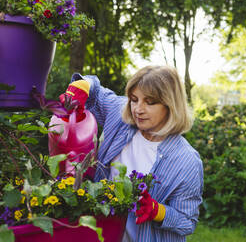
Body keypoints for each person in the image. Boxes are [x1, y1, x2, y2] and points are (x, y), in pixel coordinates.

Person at [61, 65, 204, 242]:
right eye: (134, 99)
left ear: (170, 105)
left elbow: (187, 222)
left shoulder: (186, 161)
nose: (138, 109)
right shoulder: (121, 117)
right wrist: (82, 86)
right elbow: (95, 91)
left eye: (150, 102)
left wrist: (158, 211)